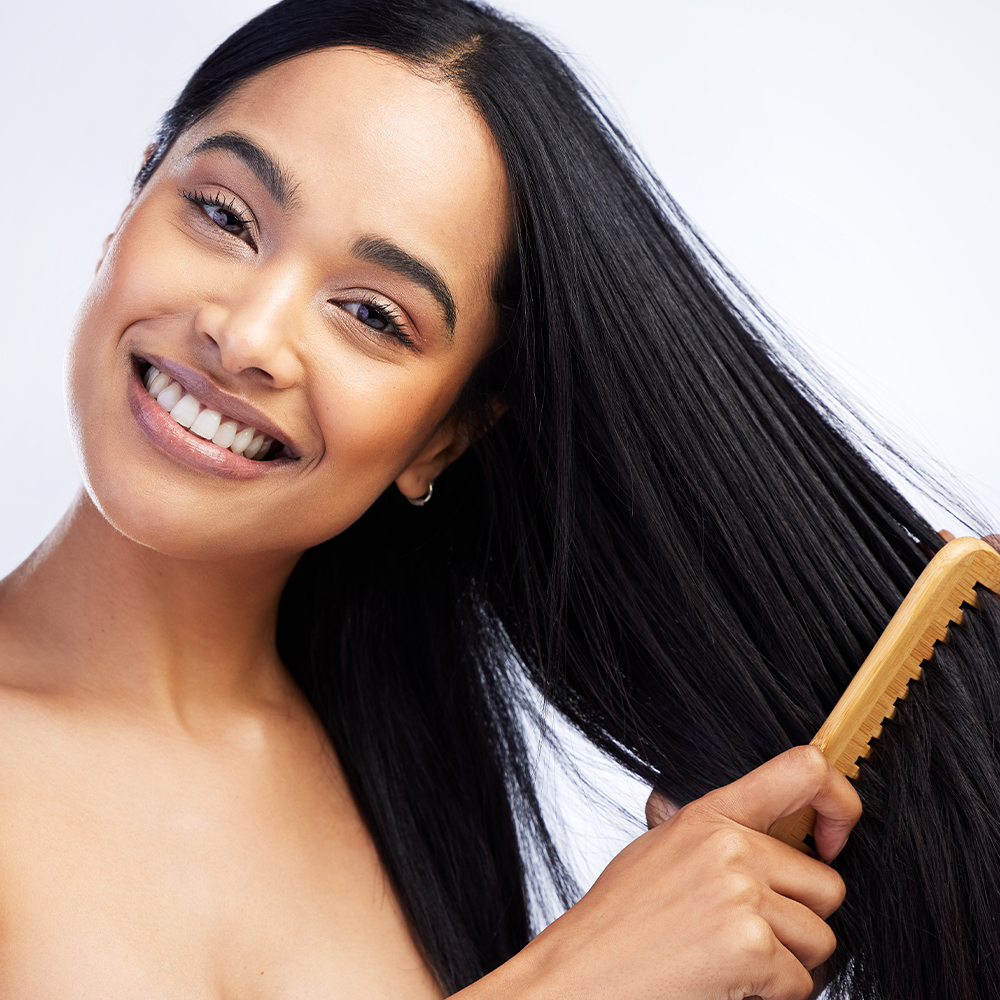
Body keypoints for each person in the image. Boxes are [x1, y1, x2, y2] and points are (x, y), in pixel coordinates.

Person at [0, 1, 993, 998]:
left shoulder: (406, 786)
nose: (248, 336)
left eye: (371, 315)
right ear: (131, 199)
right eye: (225, 217)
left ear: (443, 434)